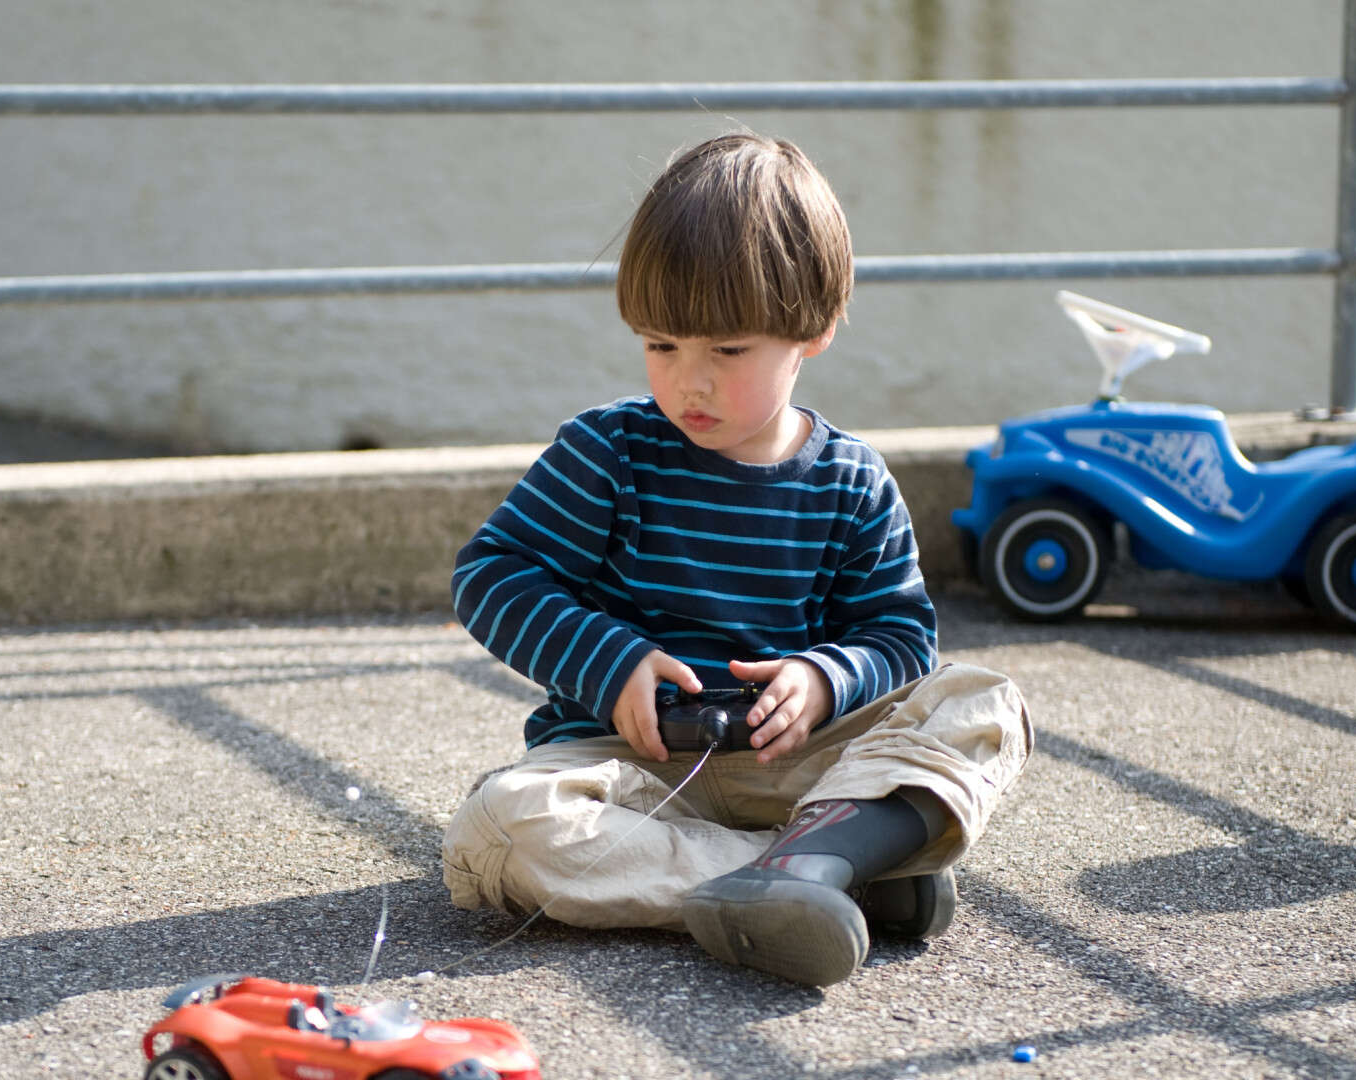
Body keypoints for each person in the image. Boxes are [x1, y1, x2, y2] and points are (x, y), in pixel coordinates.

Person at [441, 131, 1031, 987]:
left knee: (984, 705)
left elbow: (899, 638)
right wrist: (613, 666)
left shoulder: (851, 480)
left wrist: (826, 679)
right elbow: (494, 574)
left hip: (796, 769)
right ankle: (823, 875)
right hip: (625, 764)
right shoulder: (611, 450)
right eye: (660, 345)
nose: (690, 383)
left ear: (815, 330)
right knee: (498, 826)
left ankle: (809, 862)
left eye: (726, 351)